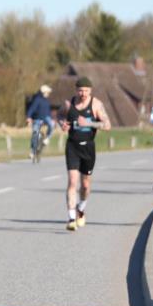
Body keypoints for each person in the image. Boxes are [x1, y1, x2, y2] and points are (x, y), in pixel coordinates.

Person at [60, 76, 111, 230]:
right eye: (80, 90)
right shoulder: (69, 104)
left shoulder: (96, 104)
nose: (83, 93)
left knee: (85, 184)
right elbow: (61, 116)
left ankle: (80, 209)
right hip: (72, 147)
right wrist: (62, 124)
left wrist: (89, 122)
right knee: (72, 182)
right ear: (76, 90)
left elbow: (107, 125)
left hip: (88, 148)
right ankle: (70, 219)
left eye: (86, 91)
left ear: (90, 91)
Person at [26, 84, 55, 157]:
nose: (48, 94)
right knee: (35, 134)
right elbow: (32, 109)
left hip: (46, 118)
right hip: (37, 119)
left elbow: (48, 111)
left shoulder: (46, 101)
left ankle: (47, 138)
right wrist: (29, 117)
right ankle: (32, 151)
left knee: (51, 125)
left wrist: (51, 118)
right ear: (44, 92)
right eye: (47, 92)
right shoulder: (37, 100)